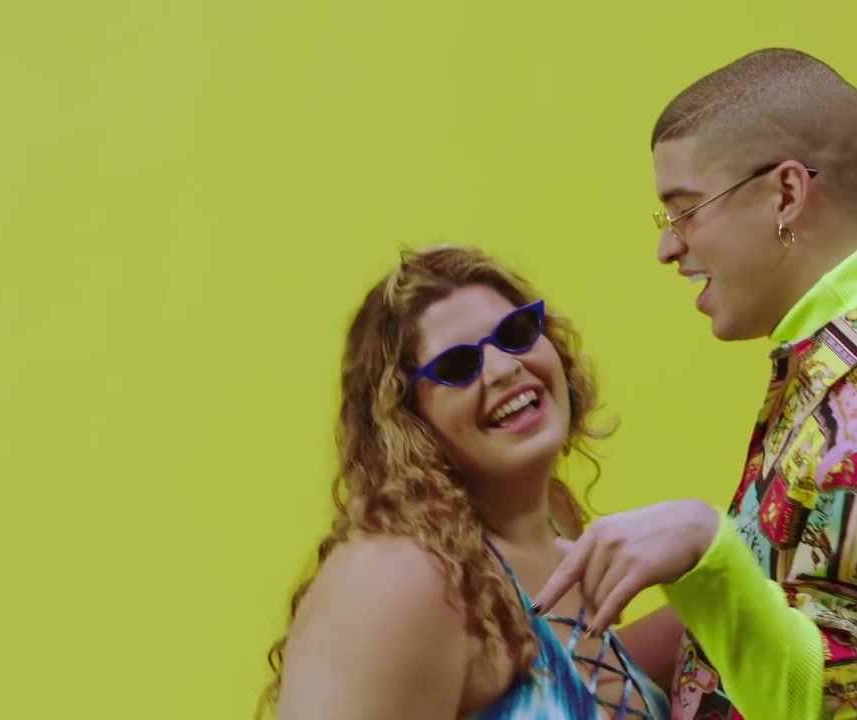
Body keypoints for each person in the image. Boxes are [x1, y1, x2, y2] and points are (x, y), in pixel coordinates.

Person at [535, 48, 857, 719]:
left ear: (786, 194)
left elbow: (843, 706)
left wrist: (706, 553)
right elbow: (794, 613)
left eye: (685, 210)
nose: (668, 247)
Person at [262, 246, 672, 719]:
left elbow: (583, 691)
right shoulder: (397, 579)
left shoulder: (551, 524)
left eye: (517, 333)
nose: (504, 368)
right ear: (407, 421)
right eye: (457, 366)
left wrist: (724, 558)